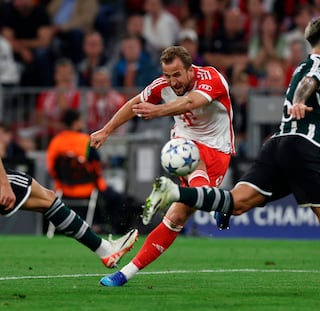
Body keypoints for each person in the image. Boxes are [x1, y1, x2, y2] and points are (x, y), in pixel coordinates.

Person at [139, 16, 320, 302]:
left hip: (277, 145)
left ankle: (176, 191)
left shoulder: (301, 67)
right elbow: (308, 87)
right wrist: (300, 100)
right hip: (307, 147)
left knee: (237, 203)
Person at [90, 45, 234, 287]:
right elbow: (133, 104)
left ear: (190, 70)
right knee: (175, 216)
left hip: (218, 147)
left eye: (177, 75)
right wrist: (107, 130)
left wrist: (158, 111)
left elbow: (189, 102)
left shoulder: (212, 78)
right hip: (185, 144)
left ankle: (217, 200)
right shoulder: (161, 86)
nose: (172, 81)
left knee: (183, 212)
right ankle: (125, 274)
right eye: (167, 75)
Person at [0, 147, 138, 268]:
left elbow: (52, 164)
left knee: (47, 200)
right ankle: (106, 250)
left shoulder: (58, 141)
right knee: (47, 199)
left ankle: (105, 250)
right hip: (86, 186)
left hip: (65, 185)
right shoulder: (83, 141)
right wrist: (5, 185)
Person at [47, 108, 137, 234]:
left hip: (63, 189)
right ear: (75, 123)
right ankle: (115, 230)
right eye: (80, 121)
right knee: (120, 200)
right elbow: (96, 167)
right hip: (89, 189)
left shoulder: (55, 142)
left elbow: (52, 168)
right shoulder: (85, 141)